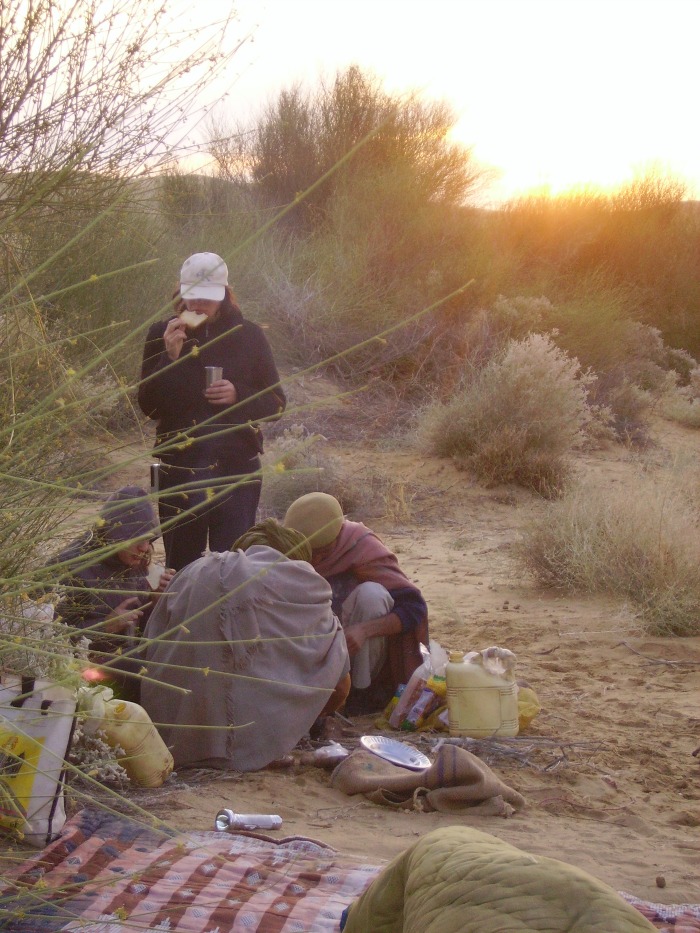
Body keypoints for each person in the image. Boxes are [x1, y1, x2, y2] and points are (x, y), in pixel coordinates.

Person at [140, 519, 351, 771]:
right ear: (296, 559)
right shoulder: (306, 586)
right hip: (259, 748)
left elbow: (149, 643)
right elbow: (340, 685)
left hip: (166, 740)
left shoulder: (198, 570)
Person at [138, 252, 286, 570]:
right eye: (194, 297)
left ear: (224, 295)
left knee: (233, 566)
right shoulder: (160, 334)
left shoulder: (249, 336)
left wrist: (239, 395)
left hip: (236, 470)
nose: (199, 306)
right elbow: (148, 405)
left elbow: (277, 402)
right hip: (180, 470)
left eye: (208, 298)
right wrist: (170, 359)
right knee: (180, 568)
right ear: (181, 292)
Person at [283, 492, 429, 714]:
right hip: (309, 654)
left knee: (372, 595)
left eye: (323, 553)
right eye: (310, 554)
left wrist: (362, 631)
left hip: (359, 654)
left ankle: (358, 699)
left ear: (338, 536)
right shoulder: (283, 550)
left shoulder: (360, 546)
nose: (317, 562)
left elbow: (413, 608)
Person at [50, 486, 174, 701]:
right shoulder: (70, 567)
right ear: (116, 536)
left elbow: (141, 617)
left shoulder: (135, 561)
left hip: (124, 659)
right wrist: (104, 626)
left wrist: (155, 600)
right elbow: (44, 637)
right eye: (138, 540)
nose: (145, 548)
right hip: (80, 674)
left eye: (149, 539)